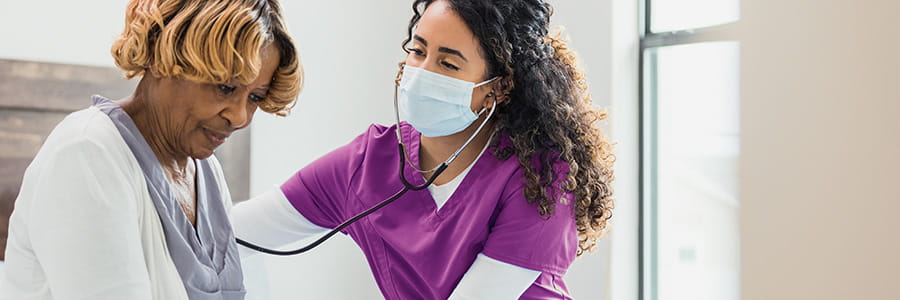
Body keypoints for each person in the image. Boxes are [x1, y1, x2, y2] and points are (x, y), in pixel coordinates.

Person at [230, 0, 615, 299]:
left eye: (448, 63)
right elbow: (228, 232)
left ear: (496, 88)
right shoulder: (366, 164)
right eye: (417, 51)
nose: (422, 72)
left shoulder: (540, 177)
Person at [1, 0, 301, 299]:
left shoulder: (205, 169)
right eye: (225, 87)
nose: (239, 117)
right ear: (165, 58)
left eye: (255, 97)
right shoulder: (87, 153)